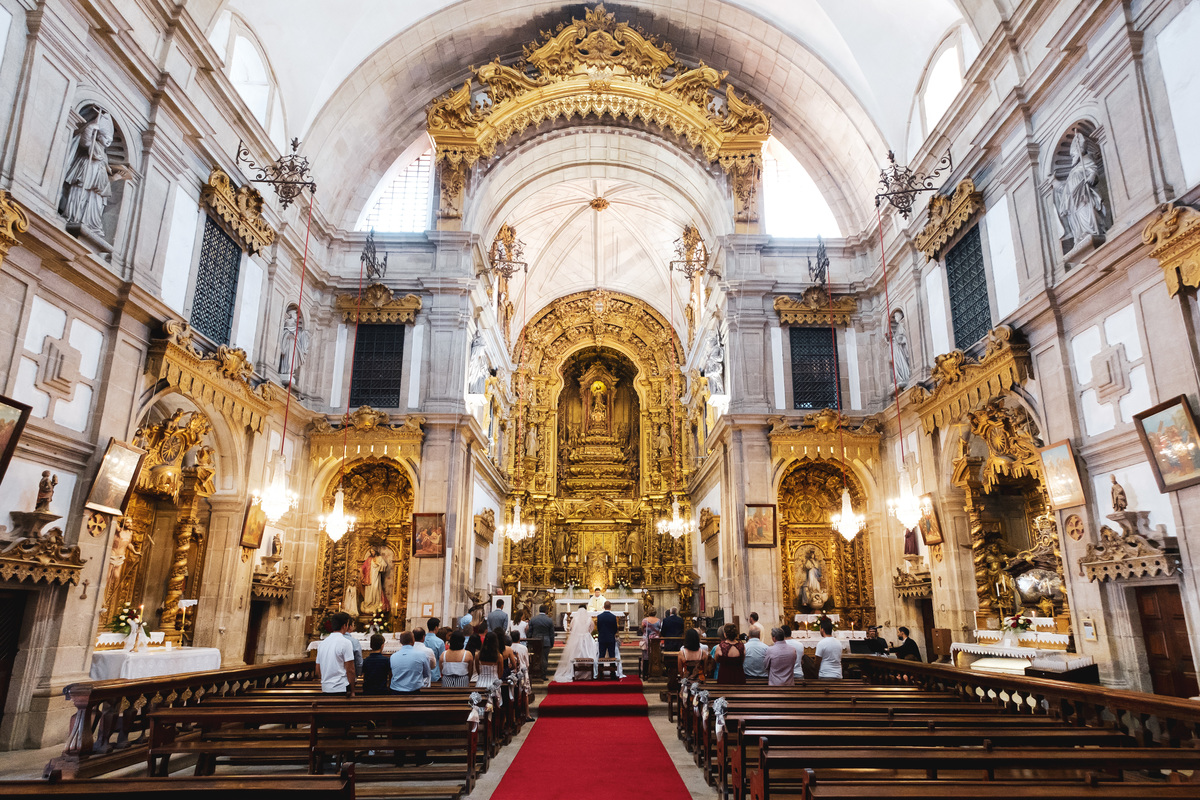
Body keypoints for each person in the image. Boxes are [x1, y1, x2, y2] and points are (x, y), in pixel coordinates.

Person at [553, 604, 598, 682]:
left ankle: (575, 672)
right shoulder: (589, 618)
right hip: (587, 638)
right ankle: (589, 672)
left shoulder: (575, 619)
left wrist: (578, 633)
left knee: (575, 654)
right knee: (589, 653)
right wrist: (586, 633)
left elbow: (571, 628)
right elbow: (592, 628)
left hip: (577, 638)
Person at [316, 612, 357, 695]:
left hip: (325, 688)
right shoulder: (346, 643)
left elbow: (317, 670)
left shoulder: (322, 644)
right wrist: (352, 690)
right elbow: (350, 669)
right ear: (345, 626)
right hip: (341, 687)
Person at [527, 604, 557, 678]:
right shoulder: (549, 620)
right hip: (546, 642)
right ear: (546, 611)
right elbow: (551, 634)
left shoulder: (533, 619)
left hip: (535, 641)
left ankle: (535, 673)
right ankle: (543, 674)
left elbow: (529, 632)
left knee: (536, 657)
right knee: (544, 658)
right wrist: (552, 643)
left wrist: (529, 641)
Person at [639, 606, 661, 678]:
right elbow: (660, 630)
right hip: (656, 640)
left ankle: (645, 672)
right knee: (655, 655)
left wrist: (645, 633)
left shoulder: (645, 620)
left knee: (646, 656)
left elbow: (642, 629)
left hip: (647, 639)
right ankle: (655, 671)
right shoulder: (659, 621)